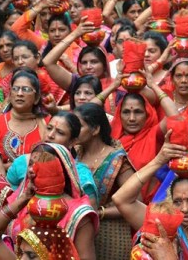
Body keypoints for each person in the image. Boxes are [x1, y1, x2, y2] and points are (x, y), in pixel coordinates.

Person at [74, 102, 136, 258]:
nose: (73, 131)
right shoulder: (75, 152)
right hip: (78, 230)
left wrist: (99, 213)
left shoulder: (117, 160)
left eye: (78, 127)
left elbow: (135, 202)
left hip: (110, 234)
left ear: (95, 129)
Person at [0, 69, 47, 165]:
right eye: (15, 89)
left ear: (36, 98)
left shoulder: (47, 123)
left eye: (25, 89)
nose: (19, 94)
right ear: (10, 95)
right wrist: (11, 168)